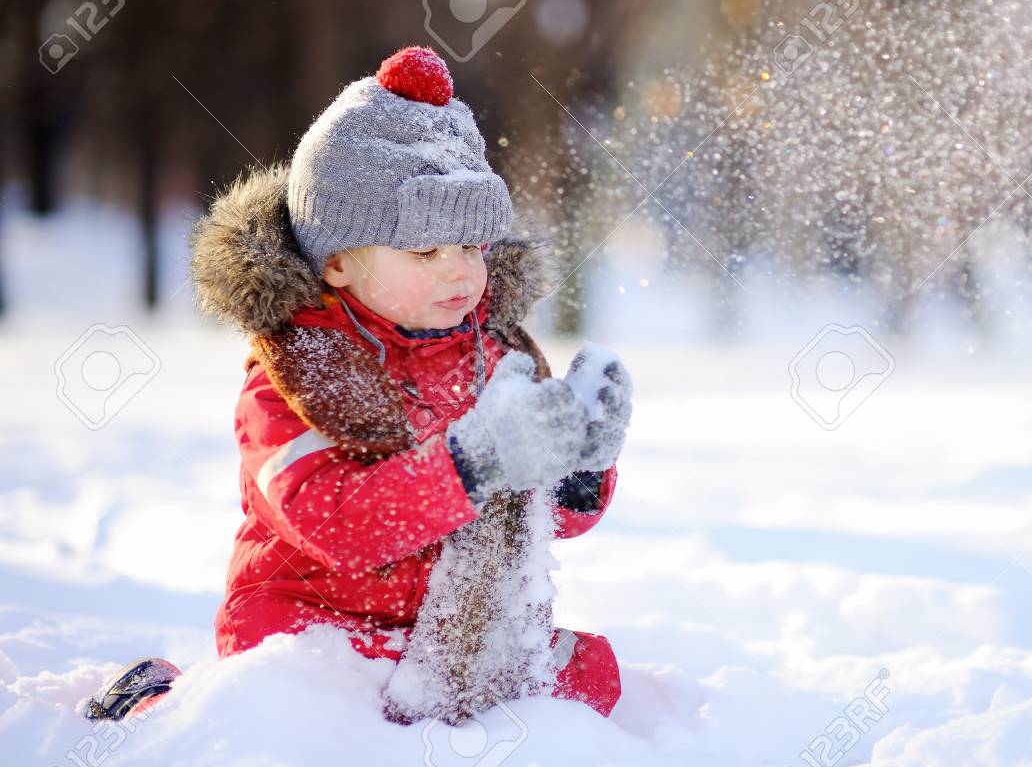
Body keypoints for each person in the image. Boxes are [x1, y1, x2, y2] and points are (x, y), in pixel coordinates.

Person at [84, 46, 629, 723]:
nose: (458, 271)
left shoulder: (491, 354)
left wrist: (578, 467)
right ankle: (165, 704)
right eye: (425, 251)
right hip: (315, 625)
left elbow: (534, 517)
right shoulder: (291, 377)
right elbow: (336, 522)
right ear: (337, 263)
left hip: (445, 632)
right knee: (313, 713)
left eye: (471, 246)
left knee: (588, 681)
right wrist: (475, 462)